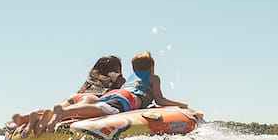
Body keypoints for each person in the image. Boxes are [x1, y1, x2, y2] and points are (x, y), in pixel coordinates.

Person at [48, 50, 189, 127]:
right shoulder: (153, 78)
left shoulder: (130, 78)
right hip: (127, 98)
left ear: (134, 68)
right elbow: (160, 100)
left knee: (101, 108)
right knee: (104, 109)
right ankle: (63, 112)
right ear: (152, 67)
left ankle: (62, 116)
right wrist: (181, 105)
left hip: (117, 93)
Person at [8, 55, 124, 136]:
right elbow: (114, 96)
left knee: (57, 111)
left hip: (75, 96)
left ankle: (24, 117)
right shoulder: (115, 78)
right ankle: (44, 117)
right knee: (69, 113)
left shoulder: (91, 80)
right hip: (91, 98)